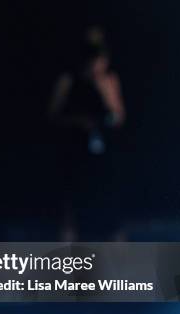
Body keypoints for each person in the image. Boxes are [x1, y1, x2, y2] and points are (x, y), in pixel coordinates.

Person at [48, 26, 126, 241]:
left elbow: (119, 117)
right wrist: (78, 122)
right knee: (71, 214)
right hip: (76, 156)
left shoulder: (108, 80)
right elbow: (52, 116)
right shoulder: (69, 80)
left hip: (103, 158)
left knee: (111, 215)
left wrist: (103, 89)